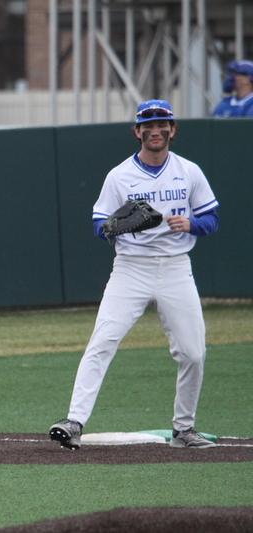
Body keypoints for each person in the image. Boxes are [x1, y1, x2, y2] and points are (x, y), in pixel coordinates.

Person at [49, 100, 220, 450]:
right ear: (137, 131)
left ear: (172, 130)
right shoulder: (120, 175)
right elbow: (99, 224)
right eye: (148, 126)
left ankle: (184, 429)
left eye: (162, 124)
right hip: (131, 268)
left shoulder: (188, 171)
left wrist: (191, 223)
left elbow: (212, 219)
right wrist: (115, 227)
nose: (155, 131)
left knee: (193, 353)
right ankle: (74, 421)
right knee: (102, 341)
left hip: (175, 267)